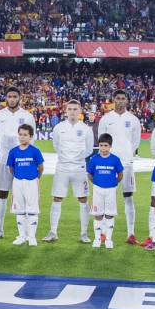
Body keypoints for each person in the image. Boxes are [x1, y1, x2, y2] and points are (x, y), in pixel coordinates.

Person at [97, 90, 142, 245]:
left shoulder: (133, 120)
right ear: (113, 100)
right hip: (109, 163)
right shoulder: (106, 118)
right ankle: (103, 233)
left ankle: (131, 233)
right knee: (106, 198)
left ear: (127, 101)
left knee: (128, 197)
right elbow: (101, 139)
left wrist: (127, 153)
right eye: (118, 98)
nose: (121, 101)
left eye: (123, 98)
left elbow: (135, 141)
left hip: (127, 163)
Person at [0, 87, 35, 240]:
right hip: (4, 159)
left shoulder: (27, 116)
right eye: (9, 96)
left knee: (24, 196)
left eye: (14, 96)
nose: (12, 99)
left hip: (22, 161)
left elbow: (32, 139)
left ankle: (26, 233)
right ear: (6, 98)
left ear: (19, 98)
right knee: (2, 194)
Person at [46, 100, 93, 244]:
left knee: (83, 199)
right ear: (66, 111)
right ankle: (53, 232)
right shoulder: (59, 127)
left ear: (80, 111)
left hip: (79, 168)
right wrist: (66, 158)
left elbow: (89, 149)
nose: (72, 111)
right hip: (62, 168)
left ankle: (84, 233)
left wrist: (77, 158)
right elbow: (56, 146)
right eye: (70, 109)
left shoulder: (86, 129)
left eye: (75, 109)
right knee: (57, 198)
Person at [5, 124, 44, 247]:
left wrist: (35, 177)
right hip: (17, 182)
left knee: (32, 210)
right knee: (19, 210)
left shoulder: (35, 151)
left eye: (25, 135)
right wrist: (18, 176)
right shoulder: (13, 151)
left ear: (30, 137)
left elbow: (41, 168)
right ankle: (22, 236)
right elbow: (11, 168)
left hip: (32, 182)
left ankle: (32, 237)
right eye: (20, 134)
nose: (22, 137)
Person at [87, 133, 125, 249]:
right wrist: (97, 183)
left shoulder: (115, 159)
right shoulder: (94, 159)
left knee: (109, 215)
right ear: (98, 146)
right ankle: (97, 239)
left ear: (110, 146)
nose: (103, 148)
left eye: (106, 146)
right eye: (101, 145)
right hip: (98, 189)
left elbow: (120, 174)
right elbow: (90, 174)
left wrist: (114, 183)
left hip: (111, 190)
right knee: (98, 215)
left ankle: (108, 239)